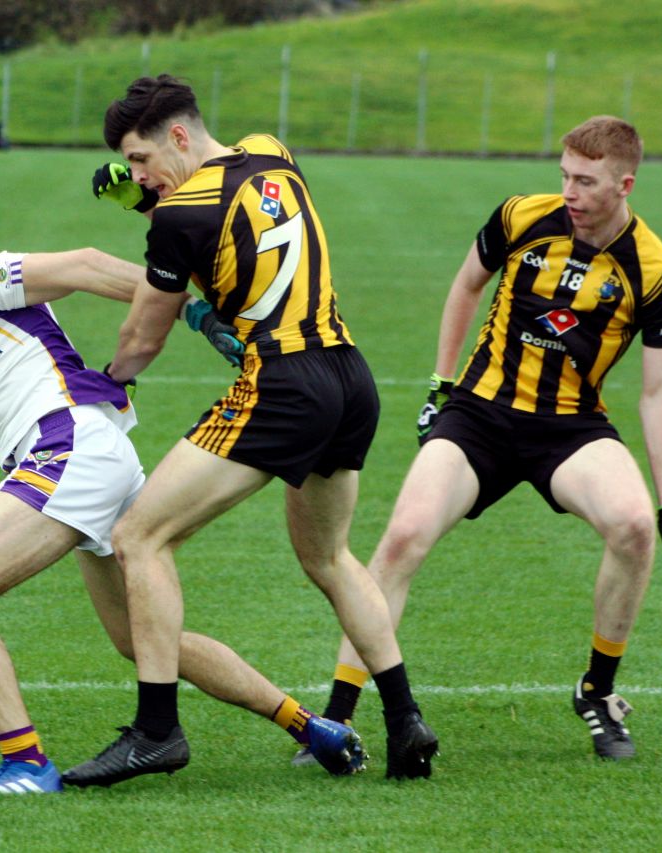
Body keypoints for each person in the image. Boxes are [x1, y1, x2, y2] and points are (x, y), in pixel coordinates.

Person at [0, 193, 368, 796]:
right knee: (141, 641)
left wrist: (192, 312)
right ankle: (309, 726)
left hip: (71, 449)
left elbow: (80, 266)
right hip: (85, 455)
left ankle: (26, 766)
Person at [63, 74, 439, 788]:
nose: (139, 174)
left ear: (177, 136)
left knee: (139, 536)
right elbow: (226, 217)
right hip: (349, 376)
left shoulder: (177, 220)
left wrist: (109, 378)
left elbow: (144, 331)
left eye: (142, 159)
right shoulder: (272, 152)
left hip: (282, 385)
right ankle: (404, 718)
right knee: (329, 557)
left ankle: (155, 730)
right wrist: (148, 198)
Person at [312, 115, 662, 762]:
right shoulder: (522, 216)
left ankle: (597, 691)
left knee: (630, 526)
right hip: (480, 415)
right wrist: (441, 381)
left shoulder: (656, 272)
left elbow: (659, 394)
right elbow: (467, 284)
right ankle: (338, 714)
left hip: (571, 428)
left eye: (586, 181)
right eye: (565, 175)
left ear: (625, 184)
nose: (569, 191)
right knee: (402, 537)